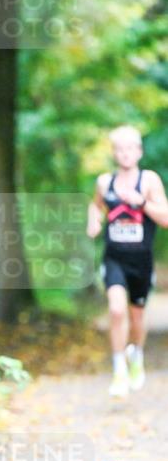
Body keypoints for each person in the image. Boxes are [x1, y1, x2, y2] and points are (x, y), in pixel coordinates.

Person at [87, 125, 168, 397]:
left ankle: (137, 355)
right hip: (114, 259)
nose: (125, 153)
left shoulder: (149, 181)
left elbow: (166, 218)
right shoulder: (104, 182)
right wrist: (93, 221)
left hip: (141, 261)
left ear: (139, 152)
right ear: (114, 153)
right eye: (120, 149)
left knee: (137, 317)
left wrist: (141, 203)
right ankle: (119, 370)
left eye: (130, 148)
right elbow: (95, 205)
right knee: (116, 310)